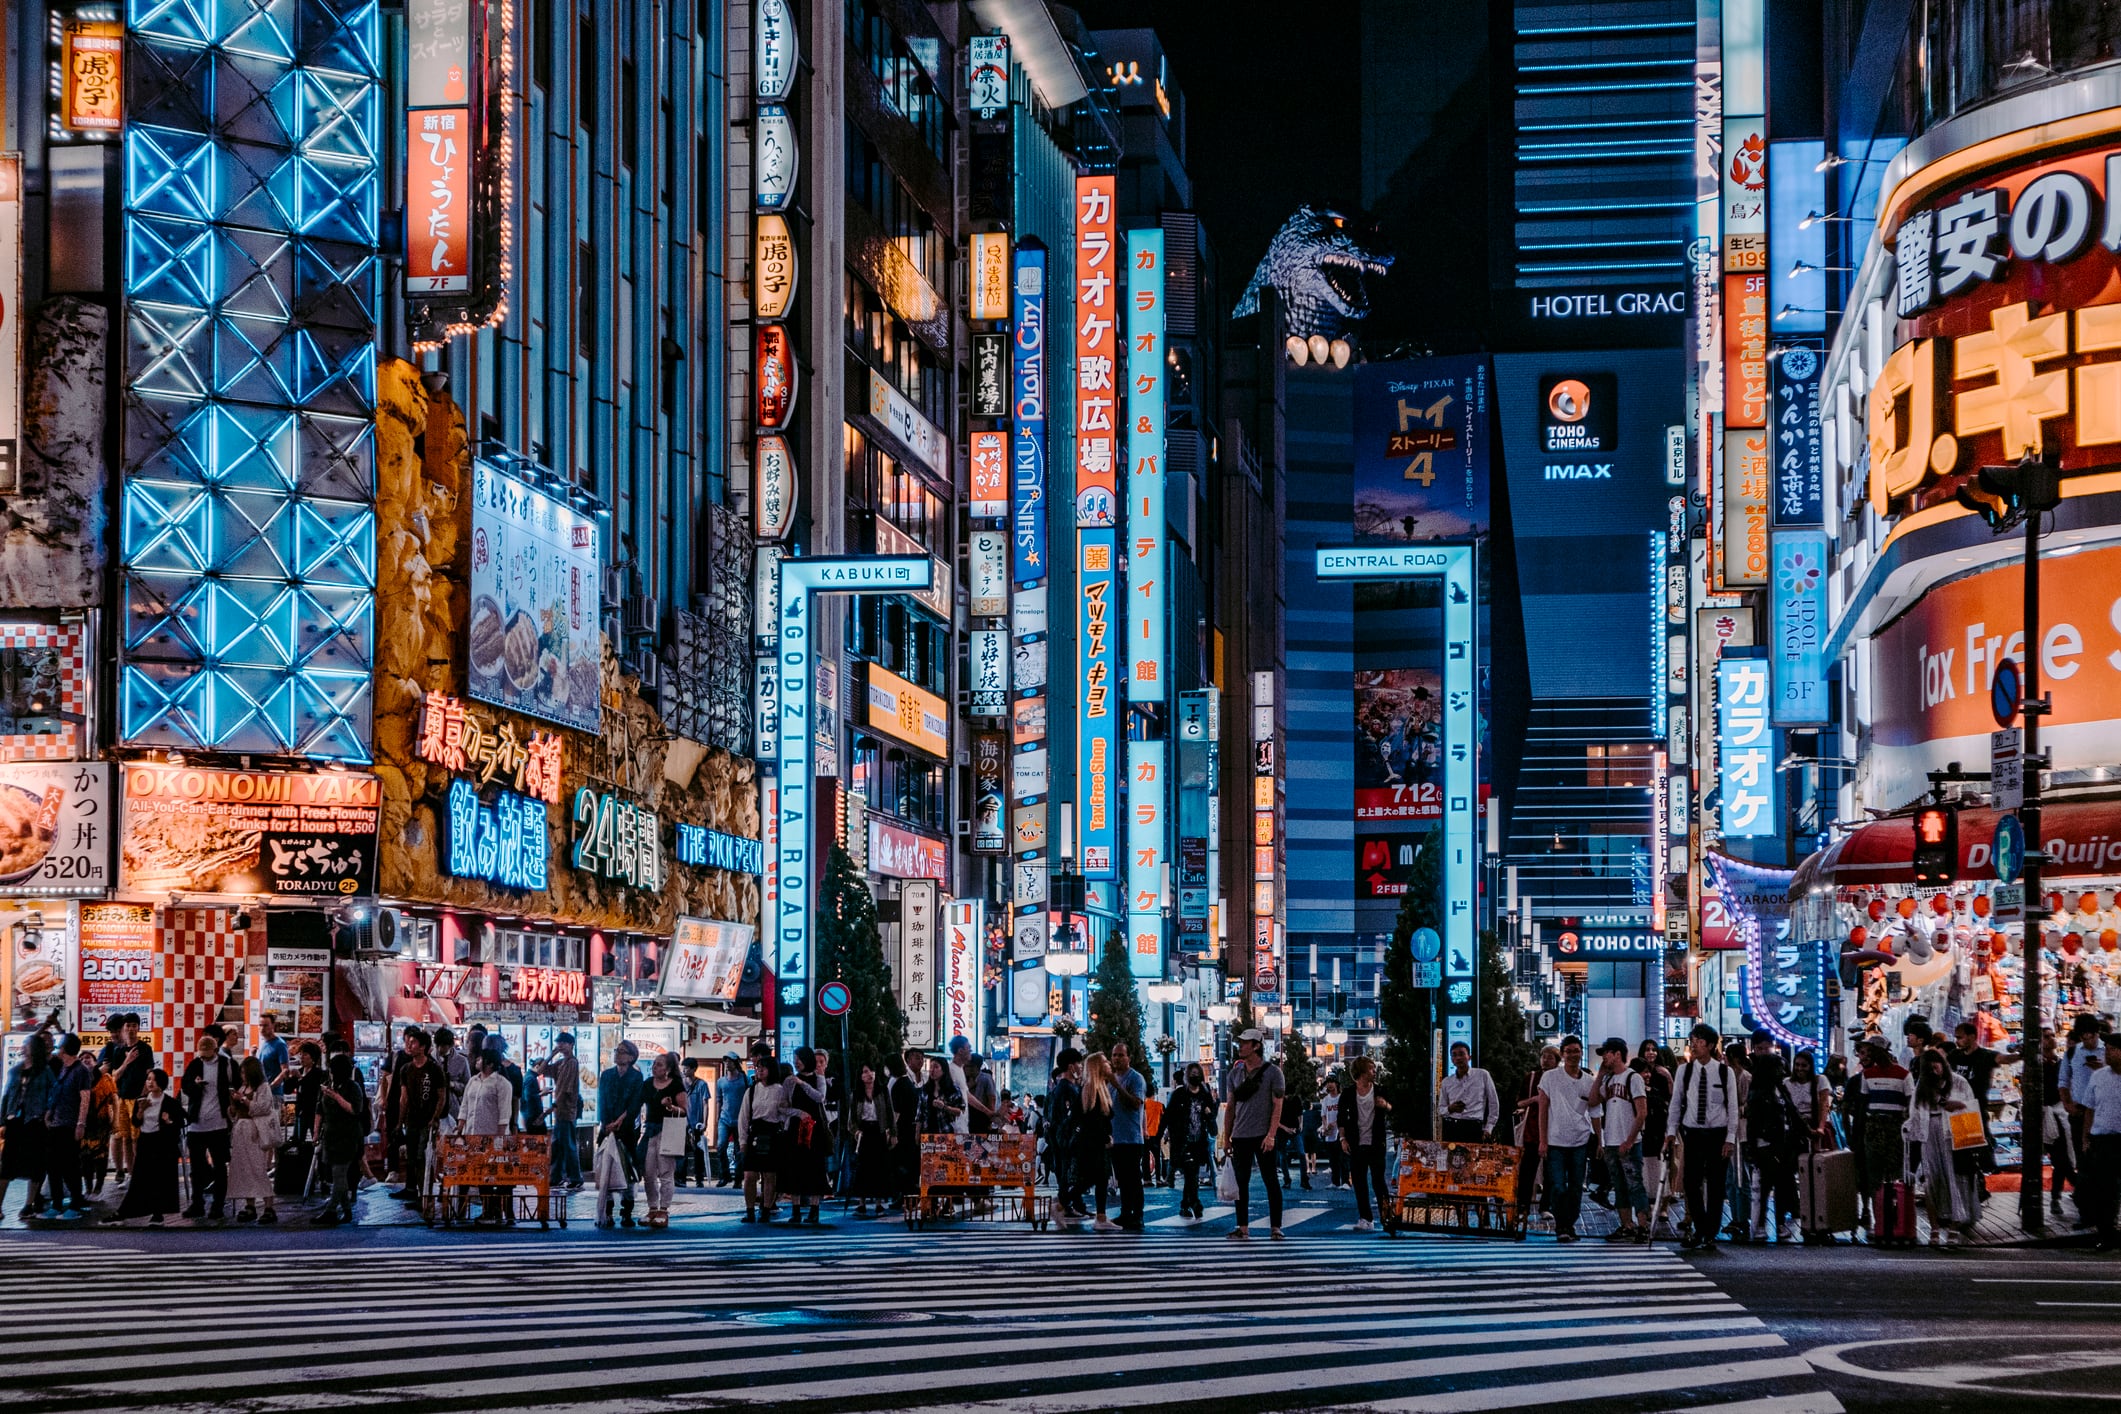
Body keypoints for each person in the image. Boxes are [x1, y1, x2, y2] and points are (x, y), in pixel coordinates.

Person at [1667, 1023, 1739, 1252]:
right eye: (1693, 1041)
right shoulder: (1685, 1071)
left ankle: (1710, 1232)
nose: (1694, 1045)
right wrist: (1671, 1132)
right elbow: (1676, 1103)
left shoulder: (1724, 1072)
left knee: (1716, 1185)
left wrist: (1730, 1138)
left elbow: (1733, 1107)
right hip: (1693, 1133)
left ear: (1709, 1045)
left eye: (1699, 1041)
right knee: (1691, 1182)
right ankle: (1701, 1228)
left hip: (1718, 1133)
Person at [1906, 1046, 1981, 1246]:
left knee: (1954, 1180)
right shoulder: (1922, 1086)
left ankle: (1954, 1227)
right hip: (1928, 1133)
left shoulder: (1958, 1082)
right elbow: (1915, 1113)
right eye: (1930, 1068)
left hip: (1952, 1133)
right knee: (1931, 1181)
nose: (1934, 1071)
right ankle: (1935, 1228)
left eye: (1936, 1066)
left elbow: (1969, 1107)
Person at [1219, 1029, 1286, 1240]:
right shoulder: (1234, 1074)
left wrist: (1271, 1134)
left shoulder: (1273, 1072)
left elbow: (1278, 1105)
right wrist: (1227, 1138)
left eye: (1245, 1042)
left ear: (1256, 1046)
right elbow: (1230, 1107)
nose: (1240, 1046)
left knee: (1271, 1180)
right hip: (1240, 1135)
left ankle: (1276, 1227)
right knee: (1241, 1182)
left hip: (1263, 1135)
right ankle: (1243, 1227)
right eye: (1240, 1042)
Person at [1536, 1036, 1597, 1242]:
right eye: (1568, 1051)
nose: (1572, 1055)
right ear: (1562, 1054)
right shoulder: (1550, 1078)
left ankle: (1569, 1224)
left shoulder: (1588, 1081)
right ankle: (1561, 1226)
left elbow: (1595, 1110)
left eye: (1576, 1051)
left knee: (1576, 1187)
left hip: (1580, 1140)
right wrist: (1542, 1140)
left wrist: (1600, 1140)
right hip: (1555, 1142)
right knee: (1558, 1186)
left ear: (1581, 1053)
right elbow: (1543, 1109)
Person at [1590, 1038, 1650, 1243]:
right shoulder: (1608, 1080)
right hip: (1612, 1141)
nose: (1604, 1057)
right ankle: (1626, 1225)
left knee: (1635, 1184)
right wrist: (1600, 1076)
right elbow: (1593, 1100)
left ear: (1617, 1054)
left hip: (1628, 1141)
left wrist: (1630, 1140)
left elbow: (1642, 1112)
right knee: (1619, 1186)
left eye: (1607, 1053)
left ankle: (1643, 1226)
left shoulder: (1633, 1077)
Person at [180, 1026, 241, 1221]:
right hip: (196, 1123)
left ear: (215, 1050)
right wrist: (195, 1085)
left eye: (207, 1055)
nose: (204, 1058)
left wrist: (233, 1100)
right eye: (202, 1055)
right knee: (196, 1167)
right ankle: (197, 1203)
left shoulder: (227, 1064)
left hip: (219, 1123)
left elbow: (238, 1084)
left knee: (220, 1166)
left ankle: (218, 1205)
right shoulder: (195, 1064)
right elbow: (185, 1086)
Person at [1853, 1034, 1912, 1231]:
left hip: (1895, 1126)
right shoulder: (1867, 1075)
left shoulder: (1903, 1074)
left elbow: (1910, 1103)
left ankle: (1894, 1218)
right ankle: (1879, 1218)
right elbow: (1863, 1104)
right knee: (1875, 1173)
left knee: (1895, 1172)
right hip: (1875, 1125)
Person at [1742, 1049, 1802, 1243]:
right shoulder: (1759, 1093)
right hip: (1766, 1143)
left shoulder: (1780, 1090)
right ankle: (1763, 1223)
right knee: (1767, 1185)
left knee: (1781, 1184)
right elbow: (1753, 1123)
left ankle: (1778, 1223)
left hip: (1782, 1142)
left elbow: (1793, 1113)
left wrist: (1806, 1131)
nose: (1782, 1072)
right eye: (1779, 1068)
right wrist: (1752, 1148)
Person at [456, 1046, 516, 1224]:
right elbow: (465, 1106)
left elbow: (504, 1113)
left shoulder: (501, 1084)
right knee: (478, 1174)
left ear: (489, 1063)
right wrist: (460, 1128)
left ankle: (500, 1212)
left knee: (496, 1176)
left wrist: (499, 1139)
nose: (477, 1061)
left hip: (492, 1137)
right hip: (472, 1137)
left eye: (480, 1059)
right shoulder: (473, 1081)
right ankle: (485, 1210)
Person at [387, 1026, 448, 1206]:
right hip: (411, 1121)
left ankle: (425, 1197)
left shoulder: (434, 1069)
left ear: (423, 1047)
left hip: (427, 1121)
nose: (409, 1045)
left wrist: (435, 1117)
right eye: (409, 1042)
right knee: (412, 1158)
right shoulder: (406, 1069)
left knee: (424, 1159)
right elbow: (403, 1098)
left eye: (413, 1042)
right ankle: (419, 1194)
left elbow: (441, 1096)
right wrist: (399, 1122)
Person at [117, 1069, 184, 1226]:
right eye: (148, 1079)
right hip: (145, 1141)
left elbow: (180, 1122)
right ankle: (134, 1209)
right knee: (141, 1176)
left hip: (162, 1142)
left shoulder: (170, 1102)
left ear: (161, 1082)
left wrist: (168, 1121)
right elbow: (136, 1122)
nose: (150, 1082)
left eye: (153, 1079)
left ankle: (158, 1213)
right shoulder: (141, 1101)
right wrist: (141, 1110)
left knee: (159, 1178)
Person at [312, 1052, 369, 1226]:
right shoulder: (328, 1085)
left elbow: (355, 1109)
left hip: (348, 1135)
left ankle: (331, 1210)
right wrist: (316, 1131)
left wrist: (336, 1097)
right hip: (330, 1135)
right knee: (338, 1175)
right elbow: (319, 1110)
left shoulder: (353, 1087)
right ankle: (347, 1210)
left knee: (339, 1173)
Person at [1, 1031, 55, 1217]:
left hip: (35, 1121)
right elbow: (6, 1095)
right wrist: (3, 1119)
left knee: (36, 1164)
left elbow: (53, 1093)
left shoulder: (44, 1070)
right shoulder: (15, 1070)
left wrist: (47, 1113)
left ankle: (28, 1205)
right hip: (14, 1121)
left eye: (27, 1044)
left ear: (34, 1049)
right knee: (7, 1165)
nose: (23, 1047)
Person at [41, 1035, 95, 1215]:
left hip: (70, 1124)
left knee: (70, 1165)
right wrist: (49, 1112)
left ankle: (75, 1203)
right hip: (56, 1123)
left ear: (65, 1048)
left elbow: (85, 1098)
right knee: (53, 1166)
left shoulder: (81, 1070)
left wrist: (81, 1123)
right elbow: (56, 1092)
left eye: (60, 1045)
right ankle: (56, 1204)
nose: (57, 1048)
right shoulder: (63, 1067)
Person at [594, 1040, 646, 1227]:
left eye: (622, 1052)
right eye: (617, 1051)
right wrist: (606, 1123)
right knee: (606, 1167)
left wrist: (620, 1121)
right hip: (607, 1127)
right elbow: (601, 1100)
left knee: (628, 1169)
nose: (617, 1054)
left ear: (631, 1057)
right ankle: (607, 1211)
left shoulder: (636, 1077)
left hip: (627, 1129)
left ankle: (627, 1211)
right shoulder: (607, 1075)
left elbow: (635, 1103)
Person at [1339, 1055, 1391, 1232]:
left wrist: (1385, 1105)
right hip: (1356, 1142)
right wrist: (1343, 1139)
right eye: (1371, 1068)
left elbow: (1393, 1108)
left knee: (1379, 1181)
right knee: (1359, 1182)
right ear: (1361, 1072)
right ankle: (1366, 1218)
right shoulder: (1348, 1093)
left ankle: (1387, 1217)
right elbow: (1341, 1118)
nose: (1374, 1071)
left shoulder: (1380, 1090)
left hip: (1376, 1142)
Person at [227, 1056, 281, 1224]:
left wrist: (244, 1100)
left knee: (257, 1168)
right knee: (243, 1169)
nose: (242, 1076)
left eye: (245, 1072)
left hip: (255, 1130)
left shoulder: (263, 1087)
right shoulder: (243, 1087)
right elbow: (235, 1113)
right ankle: (249, 1205)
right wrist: (233, 1106)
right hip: (241, 1130)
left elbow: (263, 1108)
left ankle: (268, 1206)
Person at [100, 1013, 153, 1184]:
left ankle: (140, 1175)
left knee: (137, 1139)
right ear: (124, 1028)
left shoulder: (145, 1049)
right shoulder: (117, 1050)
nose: (130, 1029)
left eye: (134, 1025)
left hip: (137, 1100)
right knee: (124, 1138)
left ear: (138, 1028)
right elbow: (114, 1076)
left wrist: (143, 1096)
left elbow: (149, 1075)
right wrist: (127, 1061)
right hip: (121, 1099)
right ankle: (129, 1174)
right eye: (127, 1026)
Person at [737, 1043, 787, 1222]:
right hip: (755, 1133)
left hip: (773, 1133)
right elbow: (743, 1117)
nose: (759, 1070)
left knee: (769, 1174)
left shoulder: (780, 1091)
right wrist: (743, 1141)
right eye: (758, 1067)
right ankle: (750, 1210)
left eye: (763, 1068)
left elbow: (785, 1114)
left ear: (771, 1070)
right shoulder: (751, 1091)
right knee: (749, 1175)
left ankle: (766, 1209)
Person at [782, 1047, 832, 1224]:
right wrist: (798, 1113)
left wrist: (803, 1084)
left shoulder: (818, 1079)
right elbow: (783, 1106)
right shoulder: (789, 1081)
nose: (796, 1062)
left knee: (815, 1169)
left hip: (815, 1130)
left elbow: (820, 1097)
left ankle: (814, 1210)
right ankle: (795, 1210)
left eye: (799, 1059)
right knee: (795, 1168)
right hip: (795, 1129)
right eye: (795, 1059)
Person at [637, 1050, 687, 1229]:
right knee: (648, 1173)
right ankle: (652, 1208)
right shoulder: (647, 1084)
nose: (654, 1067)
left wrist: (671, 1107)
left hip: (669, 1130)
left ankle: (663, 1210)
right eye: (654, 1064)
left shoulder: (676, 1085)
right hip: (650, 1130)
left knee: (666, 1173)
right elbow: (638, 1104)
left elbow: (684, 1111)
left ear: (668, 1069)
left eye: (659, 1064)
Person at [2082, 1033, 2121, 1251]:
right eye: (2106, 1048)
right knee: (2104, 1190)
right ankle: (2107, 1235)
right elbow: (2089, 1108)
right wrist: (2085, 1138)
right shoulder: (2098, 1076)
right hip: (2103, 1140)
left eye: (2113, 1049)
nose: (2107, 1053)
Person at [1949, 1021, 2003, 1176]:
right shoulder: (1954, 1056)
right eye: (1956, 1037)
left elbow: (2002, 1058)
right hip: (1958, 1107)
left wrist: (2020, 1054)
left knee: (1980, 1139)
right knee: (1963, 1145)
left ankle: (1986, 1167)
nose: (1957, 1041)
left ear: (1972, 1037)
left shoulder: (1984, 1055)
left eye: (1960, 1037)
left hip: (1976, 1106)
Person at [1165, 1062, 1216, 1218]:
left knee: (1191, 1174)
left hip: (1199, 1141)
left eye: (1197, 1073)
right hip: (1183, 1141)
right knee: (1191, 1172)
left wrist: (1209, 1113)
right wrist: (1165, 1133)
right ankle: (1195, 1203)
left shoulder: (1205, 1094)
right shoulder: (1180, 1094)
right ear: (1187, 1076)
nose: (1195, 1076)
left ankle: (1185, 1204)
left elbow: (1212, 1113)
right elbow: (1168, 1116)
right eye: (1192, 1073)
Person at [1073, 1052, 1117, 1231]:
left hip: (1096, 1142)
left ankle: (1101, 1216)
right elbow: (1092, 1118)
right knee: (1092, 1178)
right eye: (1105, 1062)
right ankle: (1060, 1203)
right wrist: (1105, 1137)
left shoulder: (1100, 1087)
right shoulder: (1092, 1088)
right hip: (1093, 1144)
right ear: (1098, 1067)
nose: (1109, 1064)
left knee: (1099, 1179)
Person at [2038, 1028, 2079, 1217]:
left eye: (2052, 1035)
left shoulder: (2062, 1063)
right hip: (2046, 1116)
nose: (2051, 1039)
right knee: (2060, 1159)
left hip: (2061, 1113)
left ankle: (2058, 1197)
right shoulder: (2036, 1065)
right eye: (2046, 1036)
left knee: (2062, 1159)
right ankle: (2077, 1188)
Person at [1107, 1041, 1148, 1230]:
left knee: (1133, 1179)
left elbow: (1136, 1103)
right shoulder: (1111, 1080)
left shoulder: (1135, 1078)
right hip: (1115, 1137)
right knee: (1122, 1179)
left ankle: (1137, 1215)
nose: (1116, 1059)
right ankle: (1125, 1212)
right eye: (1114, 1055)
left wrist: (1118, 1086)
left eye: (1121, 1055)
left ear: (1128, 1058)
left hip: (1131, 1137)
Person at [849, 1062, 898, 1218]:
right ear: (860, 1076)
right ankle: (861, 1203)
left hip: (879, 1130)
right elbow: (851, 1117)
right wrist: (855, 1131)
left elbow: (890, 1112)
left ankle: (878, 1204)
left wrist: (893, 1133)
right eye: (865, 1071)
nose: (869, 1074)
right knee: (862, 1168)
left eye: (871, 1071)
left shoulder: (882, 1091)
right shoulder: (856, 1093)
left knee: (879, 1167)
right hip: (864, 1131)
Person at [541, 1033, 584, 1191]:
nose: (560, 1045)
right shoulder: (560, 1062)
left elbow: (566, 1088)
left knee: (568, 1144)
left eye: (564, 1043)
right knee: (558, 1145)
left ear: (571, 1044)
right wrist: (551, 1055)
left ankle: (575, 1178)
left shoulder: (572, 1062)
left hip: (566, 1109)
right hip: (560, 1110)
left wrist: (554, 1105)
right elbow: (542, 1070)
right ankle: (556, 1176)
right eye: (559, 1043)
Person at [1439, 1041, 1501, 1142]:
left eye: (1461, 1054)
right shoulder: (1446, 1082)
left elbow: (1493, 1103)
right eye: (1454, 1055)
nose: (1458, 1058)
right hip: (1452, 1127)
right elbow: (1441, 1109)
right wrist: (1450, 1108)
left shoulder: (1482, 1075)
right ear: (1452, 1060)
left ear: (1469, 1057)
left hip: (1474, 1127)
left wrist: (1488, 1128)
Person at [1047, 1050, 1084, 1215]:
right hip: (1067, 1138)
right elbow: (1065, 1116)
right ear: (1071, 1066)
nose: (1081, 1067)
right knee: (1067, 1171)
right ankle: (1064, 1205)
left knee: (1070, 1171)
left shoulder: (1070, 1087)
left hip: (1067, 1137)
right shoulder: (1065, 1089)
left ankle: (1073, 1204)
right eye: (1079, 1064)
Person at [888, 1052, 921, 1192]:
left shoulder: (898, 1084)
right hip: (910, 1128)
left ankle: (904, 1193)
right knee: (908, 1162)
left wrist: (891, 1131)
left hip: (902, 1129)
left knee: (899, 1162)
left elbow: (896, 1112)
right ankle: (907, 1192)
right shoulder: (907, 1082)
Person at [714, 1056, 748, 1186]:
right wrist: (718, 1117)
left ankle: (738, 1179)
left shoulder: (744, 1079)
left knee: (740, 1150)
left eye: (730, 1061)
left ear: (735, 1063)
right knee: (721, 1146)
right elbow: (719, 1100)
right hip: (724, 1118)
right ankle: (724, 1175)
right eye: (726, 1061)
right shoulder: (721, 1081)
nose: (727, 1064)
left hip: (740, 1118)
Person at [433, 1027, 469, 1131]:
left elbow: (468, 1086)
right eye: (437, 1045)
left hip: (453, 1108)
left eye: (443, 1046)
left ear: (450, 1045)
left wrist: (453, 1085)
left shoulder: (461, 1061)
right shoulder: (431, 1059)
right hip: (433, 1108)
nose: (439, 1049)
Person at [1317, 1077, 1344, 1187]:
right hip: (1329, 1133)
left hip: (1340, 1131)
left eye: (1332, 1082)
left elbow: (1345, 1114)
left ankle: (1346, 1181)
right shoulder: (1325, 1100)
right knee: (1333, 1159)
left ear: (1337, 1084)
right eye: (1328, 1083)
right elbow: (1323, 1115)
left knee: (1342, 1158)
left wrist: (1335, 1123)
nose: (1330, 1085)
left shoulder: (1341, 1098)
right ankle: (1335, 1181)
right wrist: (1325, 1127)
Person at [256, 1014, 290, 1102]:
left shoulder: (280, 1044)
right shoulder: (265, 1043)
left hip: (274, 1095)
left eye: (266, 1025)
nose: (262, 1028)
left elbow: (285, 1071)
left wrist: (271, 1087)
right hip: (262, 1093)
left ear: (273, 1025)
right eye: (260, 1025)